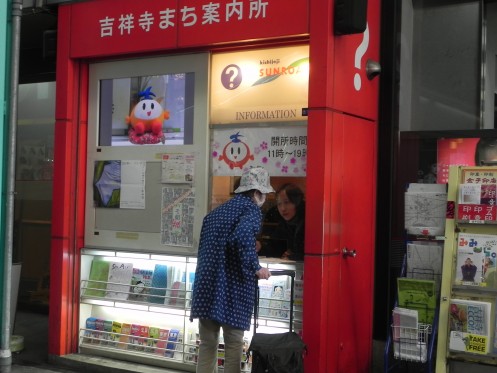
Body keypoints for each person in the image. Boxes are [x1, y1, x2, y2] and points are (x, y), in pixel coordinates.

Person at [190, 166, 273, 373]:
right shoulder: (251, 209)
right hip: (232, 289)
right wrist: (256, 267)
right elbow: (241, 235)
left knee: (208, 343)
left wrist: (248, 247)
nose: (264, 199)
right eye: (263, 194)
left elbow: (223, 243)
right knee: (234, 343)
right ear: (256, 193)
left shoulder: (216, 213)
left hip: (207, 287)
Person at [257, 183, 305, 261]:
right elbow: (275, 248)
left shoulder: (308, 224)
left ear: (297, 202)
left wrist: (292, 257)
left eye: (287, 202)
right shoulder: (283, 225)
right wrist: (260, 247)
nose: (283, 208)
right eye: (279, 204)